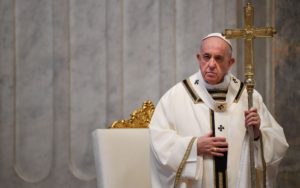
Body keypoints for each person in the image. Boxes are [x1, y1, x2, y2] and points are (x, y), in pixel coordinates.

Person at [149, 33, 289, 188]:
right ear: (198, 58)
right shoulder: (175, 97)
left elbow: (278, 145)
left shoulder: (248, 97)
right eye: (206, 57)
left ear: (230, 63)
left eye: (218, 58)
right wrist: (194, 147)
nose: (211, 64)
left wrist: (257, 135)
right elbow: (158, 142)